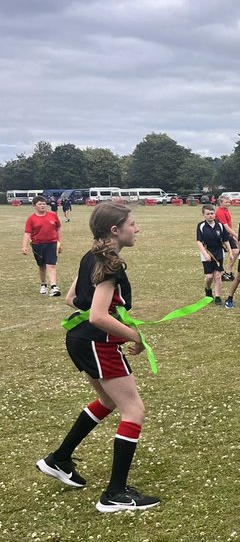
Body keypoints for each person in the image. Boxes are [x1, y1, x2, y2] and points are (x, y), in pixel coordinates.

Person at [37, 203, 160, 511]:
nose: (137, 229)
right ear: (115, 230)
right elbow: (97, 316)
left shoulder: (90, 256)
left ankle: (59, 459)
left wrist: (116, 319)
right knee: (134, 410)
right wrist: (135, 336)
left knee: (107, 401)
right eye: (132, 224)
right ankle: (115, 494)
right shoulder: (110, 264)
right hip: (96, 342)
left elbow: (72, 299)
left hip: (79, 340)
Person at [23, 195, 62, 297]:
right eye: (40, 204)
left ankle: (54, 287)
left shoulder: (53, 215)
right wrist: (24, 246)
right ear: (34, 206)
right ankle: (43, 284)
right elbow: (27, 233)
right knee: (42, 265)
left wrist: (60, 243)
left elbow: (58, 229)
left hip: (52, 243)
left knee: (51, 264)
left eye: (44, 204)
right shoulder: (31, 219)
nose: (42, 206)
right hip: (37, 245)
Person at [196, 204, 235, 305]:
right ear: (203, 215)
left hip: (218, 253)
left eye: (212, 213)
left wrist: (231, 253)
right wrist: (205, 254)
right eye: (208, 214)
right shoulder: (201, 226)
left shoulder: (220, 225)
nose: (210, 215)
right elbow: (199, 241)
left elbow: (226, 240)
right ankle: (208, 289)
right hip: (207, 252)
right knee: (209, 276)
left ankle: (217, 296)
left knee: (217, 276)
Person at [214, 196, 240, 281]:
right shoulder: (220, 212)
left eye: (229, 202)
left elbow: (229, 225)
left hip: (228, 234)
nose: (228, 204)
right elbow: (225, 226)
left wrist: (233, 234)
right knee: (233, 252)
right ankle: (225, 273)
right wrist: (236, 235)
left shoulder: (226, 210)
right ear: (220, 203)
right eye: (226, 202)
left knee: (235, 251)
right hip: (223, 235)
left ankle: (228, 272)